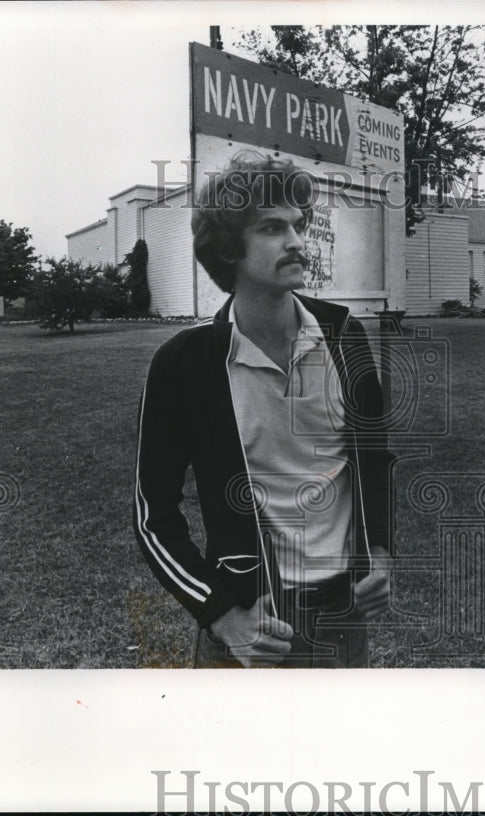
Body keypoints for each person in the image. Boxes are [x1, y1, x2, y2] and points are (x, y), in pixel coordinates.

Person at [133, 152, 393, 668]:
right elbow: (153, 518)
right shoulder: (184, 364)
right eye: (273, 228)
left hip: (344, 619)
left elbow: (374, 457)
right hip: (251, 626)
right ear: (229, 248)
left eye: (299, 224)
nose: (297, 241)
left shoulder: (345, 336)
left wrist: (380, 552)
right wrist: (222, 616)